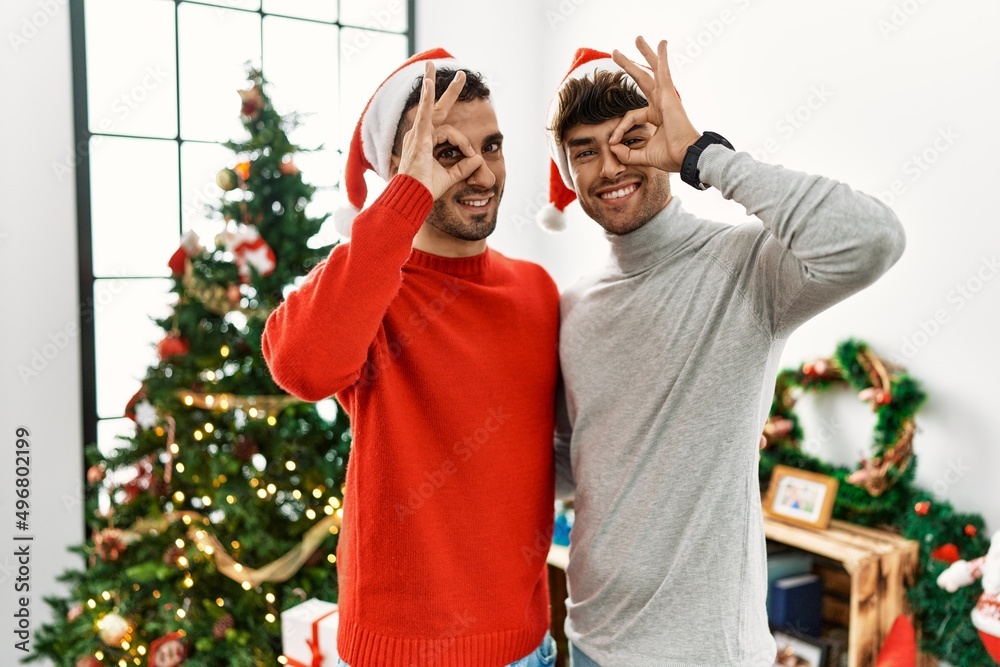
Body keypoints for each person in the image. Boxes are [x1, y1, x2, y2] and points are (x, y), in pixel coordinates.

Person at [544, 39, 906, 666]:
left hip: (706, 650)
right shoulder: (575, 307)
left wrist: (704, 155)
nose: (610, 166)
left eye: (631, 139)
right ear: (568, 171)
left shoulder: (747, 266)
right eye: (585, 151)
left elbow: (874, 240)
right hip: (591, 637)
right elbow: (576, 459)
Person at [262, 49, 559, 667]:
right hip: (396, 655)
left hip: (525, 647)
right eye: (449, 153)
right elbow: (301, 367)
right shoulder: (368, 287)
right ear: (403, 168)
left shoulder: (536, 290)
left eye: (493, 146)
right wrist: (405, 200)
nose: (482, 173)